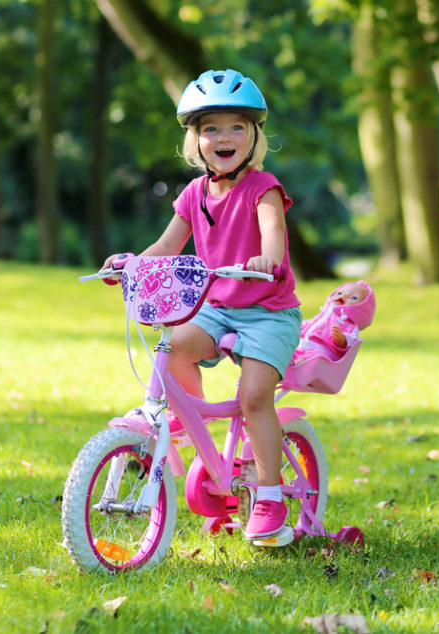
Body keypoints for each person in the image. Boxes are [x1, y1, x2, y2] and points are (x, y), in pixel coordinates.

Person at [103, 69, 301, 544]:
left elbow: (273, 233)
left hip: (268, 310)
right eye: (211, 127)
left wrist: (267, 260)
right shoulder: (194, 194)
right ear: (195, 139)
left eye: (236, 126)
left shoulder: (263, 188)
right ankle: (189, 428)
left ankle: (271, 494)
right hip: (216, 306)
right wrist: (130, 265)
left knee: (254, 397)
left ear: (254, 135)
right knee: (170, 352)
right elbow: (167, 246)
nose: (223, 136)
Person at [291, 280, 375, 364]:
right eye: (339, 293)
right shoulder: (324, 315)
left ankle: (296, 364)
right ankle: (289, 364)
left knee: (314, 358)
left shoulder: (349, 326)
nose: (343, 295)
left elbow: (351, 340)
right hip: (301, 347)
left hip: (323, 356)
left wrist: (342, 339)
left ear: (361, 309)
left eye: (354, 298)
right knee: (286, 350)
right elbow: (310, 323)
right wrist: (296, 325)